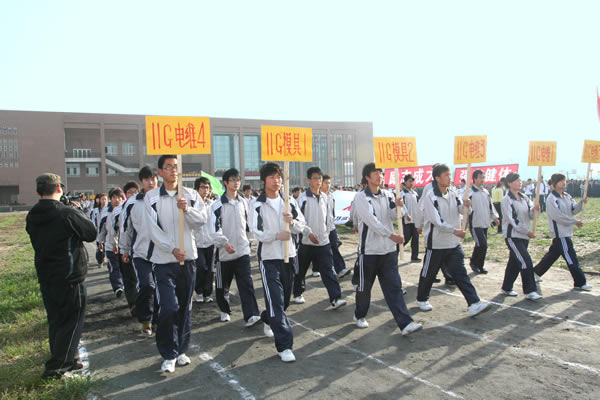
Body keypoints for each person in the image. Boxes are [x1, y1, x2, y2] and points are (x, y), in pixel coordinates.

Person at [26, 173, 97, 379]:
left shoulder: (32, 215)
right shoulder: (66, 213)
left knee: (56, 320)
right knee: (72, 321)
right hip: (70, 275)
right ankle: (57, 367)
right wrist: (77, 210)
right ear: (59, 188)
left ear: (38, 191)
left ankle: (67, 358)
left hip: (47, 275)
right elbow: (90, 233)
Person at [144, 155, 208, 373]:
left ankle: (181, 350)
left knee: (185, 308)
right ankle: (168, 353)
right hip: (163, 261)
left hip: (188, 260)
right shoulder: (152, 197)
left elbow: (202, 220)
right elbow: (153, 230)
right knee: (168, 307)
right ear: (160, 172)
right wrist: (171, 248)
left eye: (176, 166)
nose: (173, 170)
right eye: (168, 167)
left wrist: (187, 210)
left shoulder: (190, 195)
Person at [352, 163, 422, 335]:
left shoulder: (388, 194)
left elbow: (393, 216)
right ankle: (360, 315)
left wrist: (399, 206)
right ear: (367, 177)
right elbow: (372, 221)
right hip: (369, 252)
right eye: (375, 173)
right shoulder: (361, 197)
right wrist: (391, 235)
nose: (379, 176)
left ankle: (405, 323)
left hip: (388, 251)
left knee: (394, 288)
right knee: (364, 289)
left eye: (381, 173)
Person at [416, 164, 490, 317]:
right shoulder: (430, 197)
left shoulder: (454, 193)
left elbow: (461, 210)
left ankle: (474, 303)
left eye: (450, 175)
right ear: (437, 178)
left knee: (460, 273)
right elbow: (437, 221)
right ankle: (422, 298)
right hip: (436, 243)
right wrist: (455, 231)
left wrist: (467, 206)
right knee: (428, 273)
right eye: (446, 175)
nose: (450, 178)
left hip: (453, 243)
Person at [252, 162, 307, 362]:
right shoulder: (257, 204)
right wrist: (276, 235)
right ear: (264, 181)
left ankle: (268, 318)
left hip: (288, 255)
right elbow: (256, 231)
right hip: (269, 258)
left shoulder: (289, 201)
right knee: (275, 300)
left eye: (278, 177)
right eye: (272, 177)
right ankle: (284, 346)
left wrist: (292, 222)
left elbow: (301, 225)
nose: (276, 181)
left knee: (283, 301)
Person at [211, 168, 262, 325]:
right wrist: (224, 243)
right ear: (225, 183)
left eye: (237, 180)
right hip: (224, 253)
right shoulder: (217, 205)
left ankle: (252, 315)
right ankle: (224, 310)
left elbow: (248, 225)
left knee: (246, 283)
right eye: (232, 180)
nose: (235, 183)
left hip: (242, 250)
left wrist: (249, 241)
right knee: (222, 285)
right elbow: (213, 229)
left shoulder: (244, 203)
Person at [293, 167, 346, 309]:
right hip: (306, 242)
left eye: (320, 178)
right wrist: (308, 233)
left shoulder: (325, 197)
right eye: (315, 178)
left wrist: (327, 234)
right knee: (301, 270)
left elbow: (328, 218)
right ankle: (298, 292)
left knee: (328, 270)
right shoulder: (302, 199)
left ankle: (335, 297)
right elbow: (297, 220)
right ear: (309, 180)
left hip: (323, 241)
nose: (318, 181)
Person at [534, 173, 591, 291]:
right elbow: (558, 216)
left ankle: (536, 272)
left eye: (564, 180)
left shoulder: (567, 196)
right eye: (560, 181)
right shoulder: (551, 198)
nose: (563, 183)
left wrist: (581, 203)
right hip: (560, 233)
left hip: (567, 231)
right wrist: (574, 222)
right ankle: (580, 282)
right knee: (571, 257)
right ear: (554, 184)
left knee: (553, 255)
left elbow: (573, 210)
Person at [120, 167, 159, 336]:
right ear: (141, 182)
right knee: (147, 285)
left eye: (153, 178)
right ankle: (145, 320)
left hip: (162, 254)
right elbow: (125, 228)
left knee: (160, 287)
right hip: (140, 253)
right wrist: (124, 249)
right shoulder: (132, 203)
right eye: (146, 179)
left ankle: (157, 319)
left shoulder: (164, 199)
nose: (150, 182)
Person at [499, 173, 543, 300]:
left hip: (524, 236)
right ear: (509, 183)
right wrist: (526, 231)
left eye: (520, 180)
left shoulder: (524, 197)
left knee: (514, 262)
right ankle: (530, 290)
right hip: (513, 236)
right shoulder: (506, 199)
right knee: (525, 261)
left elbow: (531, 215)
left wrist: (535, 210)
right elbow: (512, 220)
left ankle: (506, 287)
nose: (520, 182)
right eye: (517, 180)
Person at [468, 170, 500, 274]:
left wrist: (495, 217)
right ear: (474, 179)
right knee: (481, 244)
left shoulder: (486, 192)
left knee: (483, 245)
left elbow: (490, 206)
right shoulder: (470, 193)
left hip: (485, 222)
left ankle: (480, 265)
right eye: (480, 177)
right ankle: (474, 262)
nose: (482, 180)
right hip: (475, 223)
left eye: (483, 177)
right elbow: (465, 208)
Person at [97, 188, 126, 298]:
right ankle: (118, 287)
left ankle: (125, 285)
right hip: (110, 245)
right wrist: (100, 241)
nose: (117, 200)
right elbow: (102, 229)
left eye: (119, 197)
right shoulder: (106, 212)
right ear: (111, 199)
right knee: (114, 267)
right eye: (114, 197)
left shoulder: (125, 209)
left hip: (124, 246)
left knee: (124, 268)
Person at [322, 174, 351, 278]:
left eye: (329, 183)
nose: (328, 185)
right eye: (326, 183)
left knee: (334, 247)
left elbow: (332, 211)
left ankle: (340, 269)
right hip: (320, 229)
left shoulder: (331, 196)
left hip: (331, 227)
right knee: (315, 253)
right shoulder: (317, 196)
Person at [193, 177, 215, 304]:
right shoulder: (193, 204)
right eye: (202, 187)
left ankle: (207, 293)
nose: (205, 190)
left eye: (207, 187)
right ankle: (199, 291)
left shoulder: (212, 204)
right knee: (201, 267)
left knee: (210, 269)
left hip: (210, 241)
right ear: (197, 189)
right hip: (197, 242)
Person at [400, 174, 420, 262]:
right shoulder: (402, 193)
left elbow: (418, 206)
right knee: (406, 238)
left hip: (415, 220)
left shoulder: (415, 193)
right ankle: (396, 251)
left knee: (416, 238)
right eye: (409, 181)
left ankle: (414, 256)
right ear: (405, 182)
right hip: (406, 220)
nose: (411, 183)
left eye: (412, 181)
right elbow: (402, 205)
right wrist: (406, 214)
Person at [93, 193, 108, 266]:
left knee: (107, 246)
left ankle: (104, 258)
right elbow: (93, 219)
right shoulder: (96, 210)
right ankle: (100, 260)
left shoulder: (109, 210)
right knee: (99, 245)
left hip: (108, 231)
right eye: (102, 199)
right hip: (99, 230)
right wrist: (94, 228)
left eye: (105, 199)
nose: (104, 201)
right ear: (100, 200)